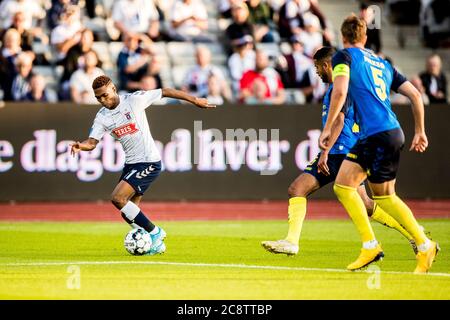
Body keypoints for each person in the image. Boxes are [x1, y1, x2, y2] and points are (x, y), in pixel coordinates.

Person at [261, 46, 416, 256]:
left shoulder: (340, 87)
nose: (316, 72)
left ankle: (411, 236)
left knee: (302, 190)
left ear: (327, 65)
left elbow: (340, 120)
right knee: (361, 204)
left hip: (341, 151)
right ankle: (413, 235)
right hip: (341, 149)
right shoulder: (341, 86)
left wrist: (324, 153)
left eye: (317, 67)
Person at [318, 15, 438, 273]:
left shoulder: (343, 57)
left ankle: (387, 244)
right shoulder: (383, 63)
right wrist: (420, 131)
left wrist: (327, 129)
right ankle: (416, 244)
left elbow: (339, 91)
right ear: (365, 37)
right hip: (390, 131)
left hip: (376, 134)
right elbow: (416, 95)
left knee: (357, 191)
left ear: (343, 37)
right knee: (367, 192)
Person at [70, 75, 215, 255]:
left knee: (118, 198)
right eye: (98, 98)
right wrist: (81, 146)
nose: (102, 100)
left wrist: (194, 100)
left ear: (113, 88)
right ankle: (156, 245)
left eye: (105, 95)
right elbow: (92, 142)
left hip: (149, 161)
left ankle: (155, 233)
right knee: (128, 211)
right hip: (131, 164)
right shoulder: (102, 117)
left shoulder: (134, 100)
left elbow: (165, 91)